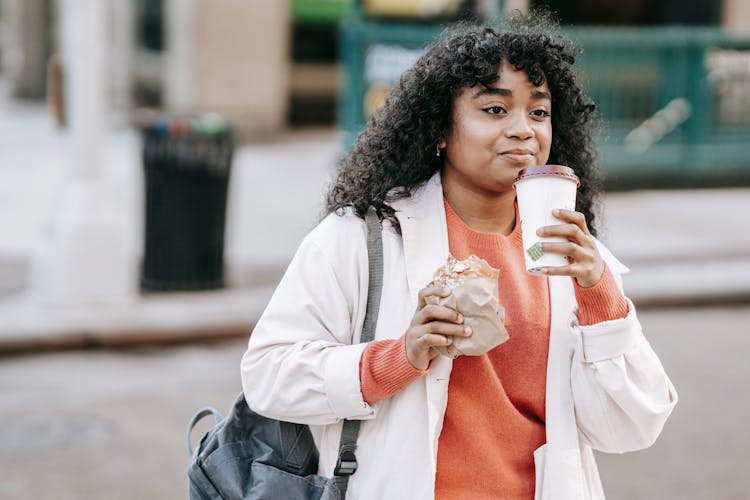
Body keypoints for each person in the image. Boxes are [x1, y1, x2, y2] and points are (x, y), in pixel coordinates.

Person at [241, 12, 677, 500]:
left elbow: (633, 424)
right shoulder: (362, 236)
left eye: (538, 112)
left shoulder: (578, 257)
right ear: (441, 129)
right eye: (494, 110)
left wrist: (600, 297)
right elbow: (267, 375)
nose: (523, 131)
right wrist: (397, 358)